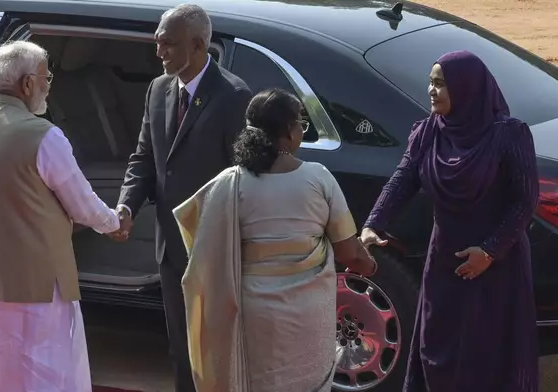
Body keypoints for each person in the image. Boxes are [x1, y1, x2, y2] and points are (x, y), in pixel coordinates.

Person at [0, 40, 122, 392]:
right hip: (40, 289)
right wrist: (113, 222)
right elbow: (82, 203)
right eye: (46, 78)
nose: (49, 86)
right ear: (27, 84)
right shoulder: (45, 136)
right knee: (44, 374)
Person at [172, 88, 378, 392]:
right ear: (287, 131)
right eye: (299, 124)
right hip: (307, 317)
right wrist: (370, 262)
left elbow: (202, 243)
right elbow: (351, 254)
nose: (300, 131)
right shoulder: (318, 178)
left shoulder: (231, 183)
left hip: (253, 316)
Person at [360, 50, 539, 392]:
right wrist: (373, 224)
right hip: (445, 264)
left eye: (441, 84)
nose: (432, 90)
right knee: (437, 351)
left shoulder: (508, 136)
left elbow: (524, 201)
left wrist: (489, 251)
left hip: (497, 269)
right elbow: (402, 180)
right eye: (431, 82)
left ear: (467, 88)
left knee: (487, 357)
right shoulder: (428, 133)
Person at [111, 4, 252, 391]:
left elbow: (243, 177)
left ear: (199, 44)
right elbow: (145, 157)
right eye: (157, 42)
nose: (159, 52)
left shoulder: (233, 95)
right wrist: (126, 205)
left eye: (168, 44)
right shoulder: (158, 90)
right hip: (171, 246)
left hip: (214, 247)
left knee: (216, 348)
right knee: (181, 348)